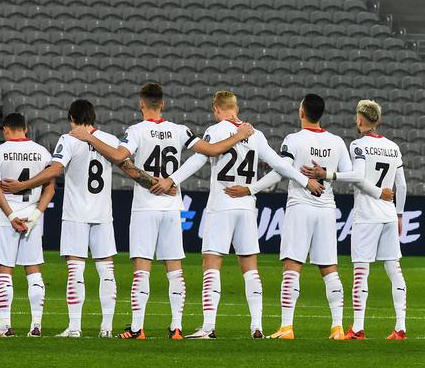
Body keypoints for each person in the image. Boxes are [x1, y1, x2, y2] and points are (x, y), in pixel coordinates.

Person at [69, 82, 252, 339]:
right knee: (174, 268)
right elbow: (211, 150)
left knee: (142, 267)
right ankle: (176, 327)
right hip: (171, 206)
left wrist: (89, 137)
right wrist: (239, 135)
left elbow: (119, 157)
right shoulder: (180, 130)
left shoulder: (136, 131)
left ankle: (137, 328)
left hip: (146, 206)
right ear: (163, 104)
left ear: (141, 104)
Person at [158, 91, 321, 339]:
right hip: (246, 206)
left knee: (211, 263)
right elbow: (280, 164)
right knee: (250, 266)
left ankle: (208, 327)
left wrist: (172, 179)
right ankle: (257, 326)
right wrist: (305, 181)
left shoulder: (216, 130)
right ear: (236, 107)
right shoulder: (256, 134)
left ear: (216, 109)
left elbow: (198, 160)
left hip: (222, 204)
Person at [2, 99, 119, 338]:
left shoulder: (69, 139)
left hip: (76, 214)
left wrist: (23, 185)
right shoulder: (110, 140)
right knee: (106, 270)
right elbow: (123, 161)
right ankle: (106, 328)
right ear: (93, 117)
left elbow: (55, 170)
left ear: (71, 118)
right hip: (103, 213)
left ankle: (74, 328)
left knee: (76, 270)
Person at [245, 95, 353, 340]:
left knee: (292, 266)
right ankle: (337, 327)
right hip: (327, 207)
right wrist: (327, 174)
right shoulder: (336, 141)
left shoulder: (293, 139)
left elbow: (280, 171)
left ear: (301, 112)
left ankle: (287, 327)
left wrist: (253, 188)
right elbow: (352, 174)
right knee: (329, 268)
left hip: (300, 206)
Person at [306, 99, 406, 340]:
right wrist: (399, 214)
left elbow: (359, 177)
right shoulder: (393, 146)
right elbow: (401, 185)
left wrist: (328, 174)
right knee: (394, 269)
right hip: (389, 214)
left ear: (360, 119)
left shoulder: (359, 145)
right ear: (378, 120)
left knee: (361, 270)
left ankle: (358, 328)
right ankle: (400, 327)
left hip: (367, 215)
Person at [0, 113, 54, 338]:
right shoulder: (42, 152)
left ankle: (5, 326)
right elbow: (50, 189)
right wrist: (35, 215)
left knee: (4, 270)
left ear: (6, 129)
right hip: (32, 215)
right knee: (33, 270)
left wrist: (10, 216)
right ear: (26, 128)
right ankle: (36, 325)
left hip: (7, 215)